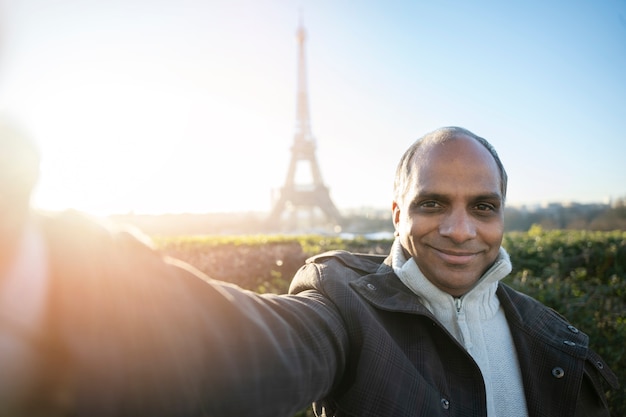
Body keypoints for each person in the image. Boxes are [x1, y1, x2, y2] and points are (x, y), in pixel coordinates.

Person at [1, 120, 618, 416]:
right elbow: (247, 344)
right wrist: (53, 285)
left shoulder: (550, 335)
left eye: (482, 207)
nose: (460, 229)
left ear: (502, 215)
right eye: (434, 203)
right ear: (398, 212)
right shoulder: (346, 308)